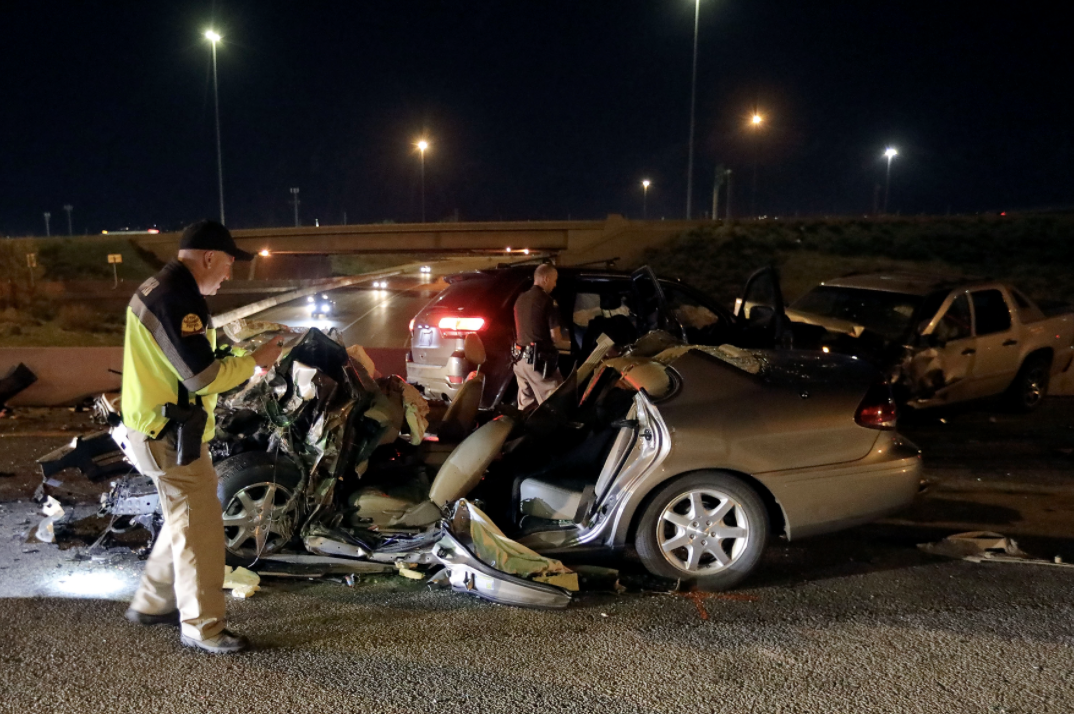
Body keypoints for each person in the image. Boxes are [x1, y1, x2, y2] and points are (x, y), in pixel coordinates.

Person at [120, 219, 283, 654]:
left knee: (184, 519)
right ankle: (203, 628)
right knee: (201, 531)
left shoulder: (160, 288)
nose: (229, 274)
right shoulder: (178, 299)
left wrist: (233, 353)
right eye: (229, 263)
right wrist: (256, 361)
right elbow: (200, 377)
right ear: (209, 257)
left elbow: (185, 358)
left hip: (152, 427)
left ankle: (153, 602)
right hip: (171, 436)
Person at [512, 263, 570, 410]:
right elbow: (556, 337)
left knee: (526, 407)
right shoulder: (547, 301)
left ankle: (522, 431)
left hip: (519, 361)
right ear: (545, 279)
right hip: (539, 364)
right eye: (554, 280)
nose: (555, 285)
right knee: (556, 403)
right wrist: (571, 345)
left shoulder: (520, 299)